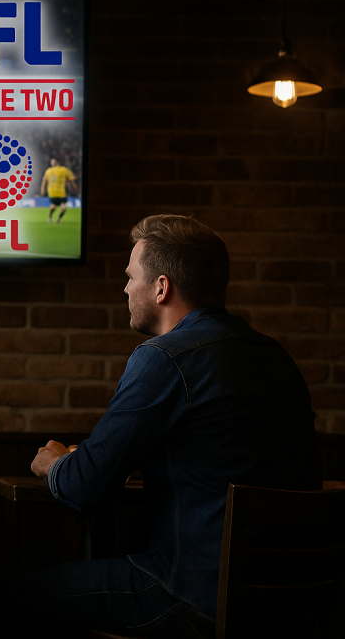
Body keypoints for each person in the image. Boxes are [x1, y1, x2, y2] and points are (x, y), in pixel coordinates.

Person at [22, 214, 321, 639]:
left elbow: (86, 484)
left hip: (194, 597)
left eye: (131, 277)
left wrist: (54, 463)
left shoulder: (164, 357)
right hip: (295, 600)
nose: (125, 288)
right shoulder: (276, 357)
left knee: (29, 592)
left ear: (162, 287)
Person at [40, 157, 77, 224]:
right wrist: (73, 185)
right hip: (54, 192)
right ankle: (52, 218)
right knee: (57, 206)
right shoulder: (52, 170)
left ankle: (56, 219)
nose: (52, 163)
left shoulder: (61, 170)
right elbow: (44, 181)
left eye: (53, 161)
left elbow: (44, 182)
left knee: (61, 207)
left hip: (60, 192)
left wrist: (42, 190)